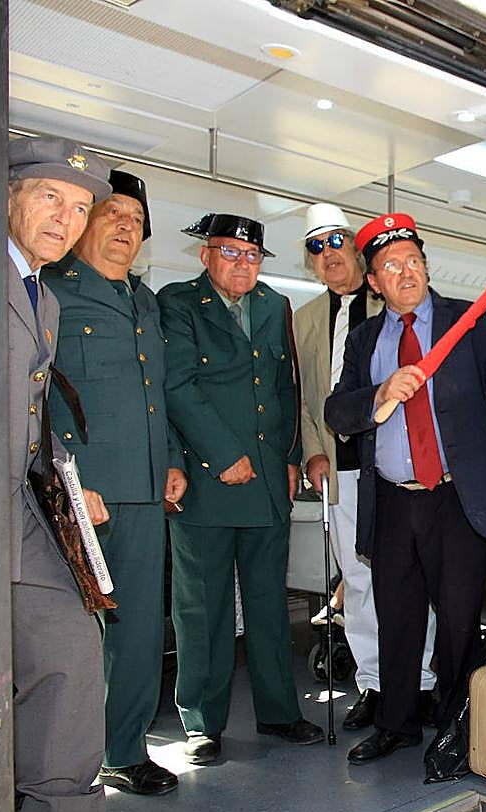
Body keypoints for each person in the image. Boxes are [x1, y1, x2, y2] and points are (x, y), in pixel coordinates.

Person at [324, 212, 486, 764]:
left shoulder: (466, 322)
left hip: (455, 497)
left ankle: (457, 727)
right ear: (373, 282)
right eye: (391, 266)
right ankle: (396, 723)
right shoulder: (365, 339)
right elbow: (338, 411)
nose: (406, 272)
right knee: (397, 616)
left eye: (414, 261)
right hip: (393, 500)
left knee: (459, 619)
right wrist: (380, 393)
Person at [6, 134, 151, 812]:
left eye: (77, 207)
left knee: (72, 649)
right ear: (8, 198)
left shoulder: (43, 298)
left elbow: (34, 417)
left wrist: (67, 482)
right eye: (50, 198)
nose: (65, 218)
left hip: (24, 507)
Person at [159, 212, 324, 765]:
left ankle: (279, 713)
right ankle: (202, 723)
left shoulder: (274, 305)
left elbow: (283, 387)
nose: (242, 264)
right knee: (202, 609)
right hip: (206, 480)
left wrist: (290, 457)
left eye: (251, 255)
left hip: (268, 483)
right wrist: (224, 455)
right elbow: (177, 387)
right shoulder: (178, 303)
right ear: (206, 255)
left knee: (269, 604)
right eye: (229, 252)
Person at [41, 170, 186, 797]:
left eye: (136, 219)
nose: (126, 226)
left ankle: (123, 751)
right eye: (112, 213)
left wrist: (173, 459)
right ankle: (55, 768)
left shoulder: (145, 301)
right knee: (67, 636)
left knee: (140, 629)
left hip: (145, 489)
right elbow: (36, 392)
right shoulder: (51, 290)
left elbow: (158, 394)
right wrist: (69, 473)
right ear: (83, 223)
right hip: (79, 493)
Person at [293, 203, 438, 732]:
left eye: (336, 241)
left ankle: (421, 682)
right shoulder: (305, 319)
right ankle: (375, 684)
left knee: (412, 577)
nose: (328, 253)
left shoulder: (395, 303)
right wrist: (313, 451)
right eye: (316, 247)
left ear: (359, 252)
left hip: (394, 467)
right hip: (341, 468)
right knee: (357, 580)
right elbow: (306, 397)